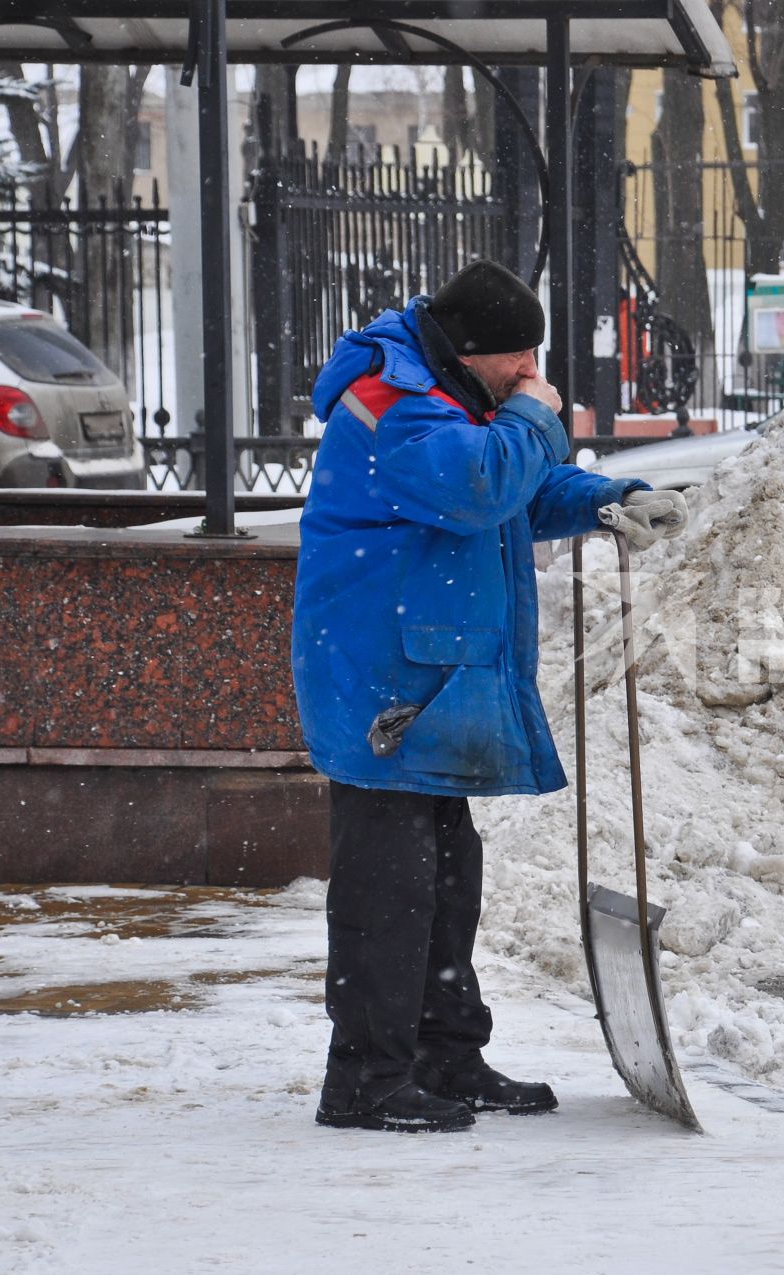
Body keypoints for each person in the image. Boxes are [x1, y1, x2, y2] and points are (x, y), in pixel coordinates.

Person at [293, 260, 688, 1134]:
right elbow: (478, 485)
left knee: (444, 877)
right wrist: (533, 419)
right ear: (475, 351)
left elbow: (515, 489)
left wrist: (608, 500)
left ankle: (442, 1053)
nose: (530, 371)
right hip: (378, 680)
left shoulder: (450, 395)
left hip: (423, 676)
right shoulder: (385, 399)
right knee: (386, 891)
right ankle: (364, 1078)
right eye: (519, 356)